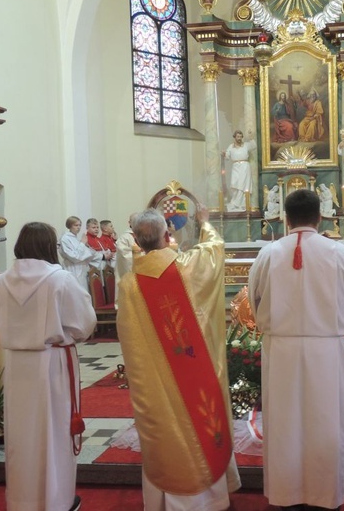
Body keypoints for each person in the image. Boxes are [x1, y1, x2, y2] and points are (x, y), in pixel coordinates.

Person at [248, 189, 344, 511]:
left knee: (284, 422)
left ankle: (285, 494)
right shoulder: (339, 253)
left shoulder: (269, 253)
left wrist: (274, 325)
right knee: (326, 421)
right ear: (319, 216)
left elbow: (253, 299)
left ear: (285, 217)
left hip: (282, 350)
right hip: (326, 351)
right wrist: (334, 326)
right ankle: (325, 496)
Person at [116, 207, 240, 510]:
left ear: (135, 239)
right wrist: (205, 223)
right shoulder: (187, 268)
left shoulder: (129, 286)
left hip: (154, 384)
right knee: (200, 420)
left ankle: (163, 501)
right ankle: (206, 501)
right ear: (166, 235)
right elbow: (214, 249)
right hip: (194, 376)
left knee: (165, 429)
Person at [0, 222, 96, 511]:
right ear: (51, 246)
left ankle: (22, 502)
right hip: (52, 364)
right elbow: (84, 323)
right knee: (54, 432)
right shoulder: (59, 280)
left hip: (16, 365)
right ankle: (56, 501)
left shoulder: (2, 281)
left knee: (22, 435)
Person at [59, 216, 102, 291]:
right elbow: (74, 257)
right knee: (77, 292)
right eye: (76, 225)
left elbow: (86, 253)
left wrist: (87, 248)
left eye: (80, 225)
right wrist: (82, 243)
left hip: (81, 268)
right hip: (73, 268)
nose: (78, 227)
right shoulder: (65, 238)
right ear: (69, 225)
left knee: (85, 292)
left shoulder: (75, 238)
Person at [222, 130, 256, 212]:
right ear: (234, 137)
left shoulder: (246, 145)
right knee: (235, 184)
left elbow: (254, 146)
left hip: (245, 167)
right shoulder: (231, 146)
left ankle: (243, 204)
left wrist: (251, 137)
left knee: (244, 186)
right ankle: (235, 203)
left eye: (241, 137)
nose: (239, 138)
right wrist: (224, 154)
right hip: (236, 167)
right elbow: (227, 157)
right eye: (238, 137)